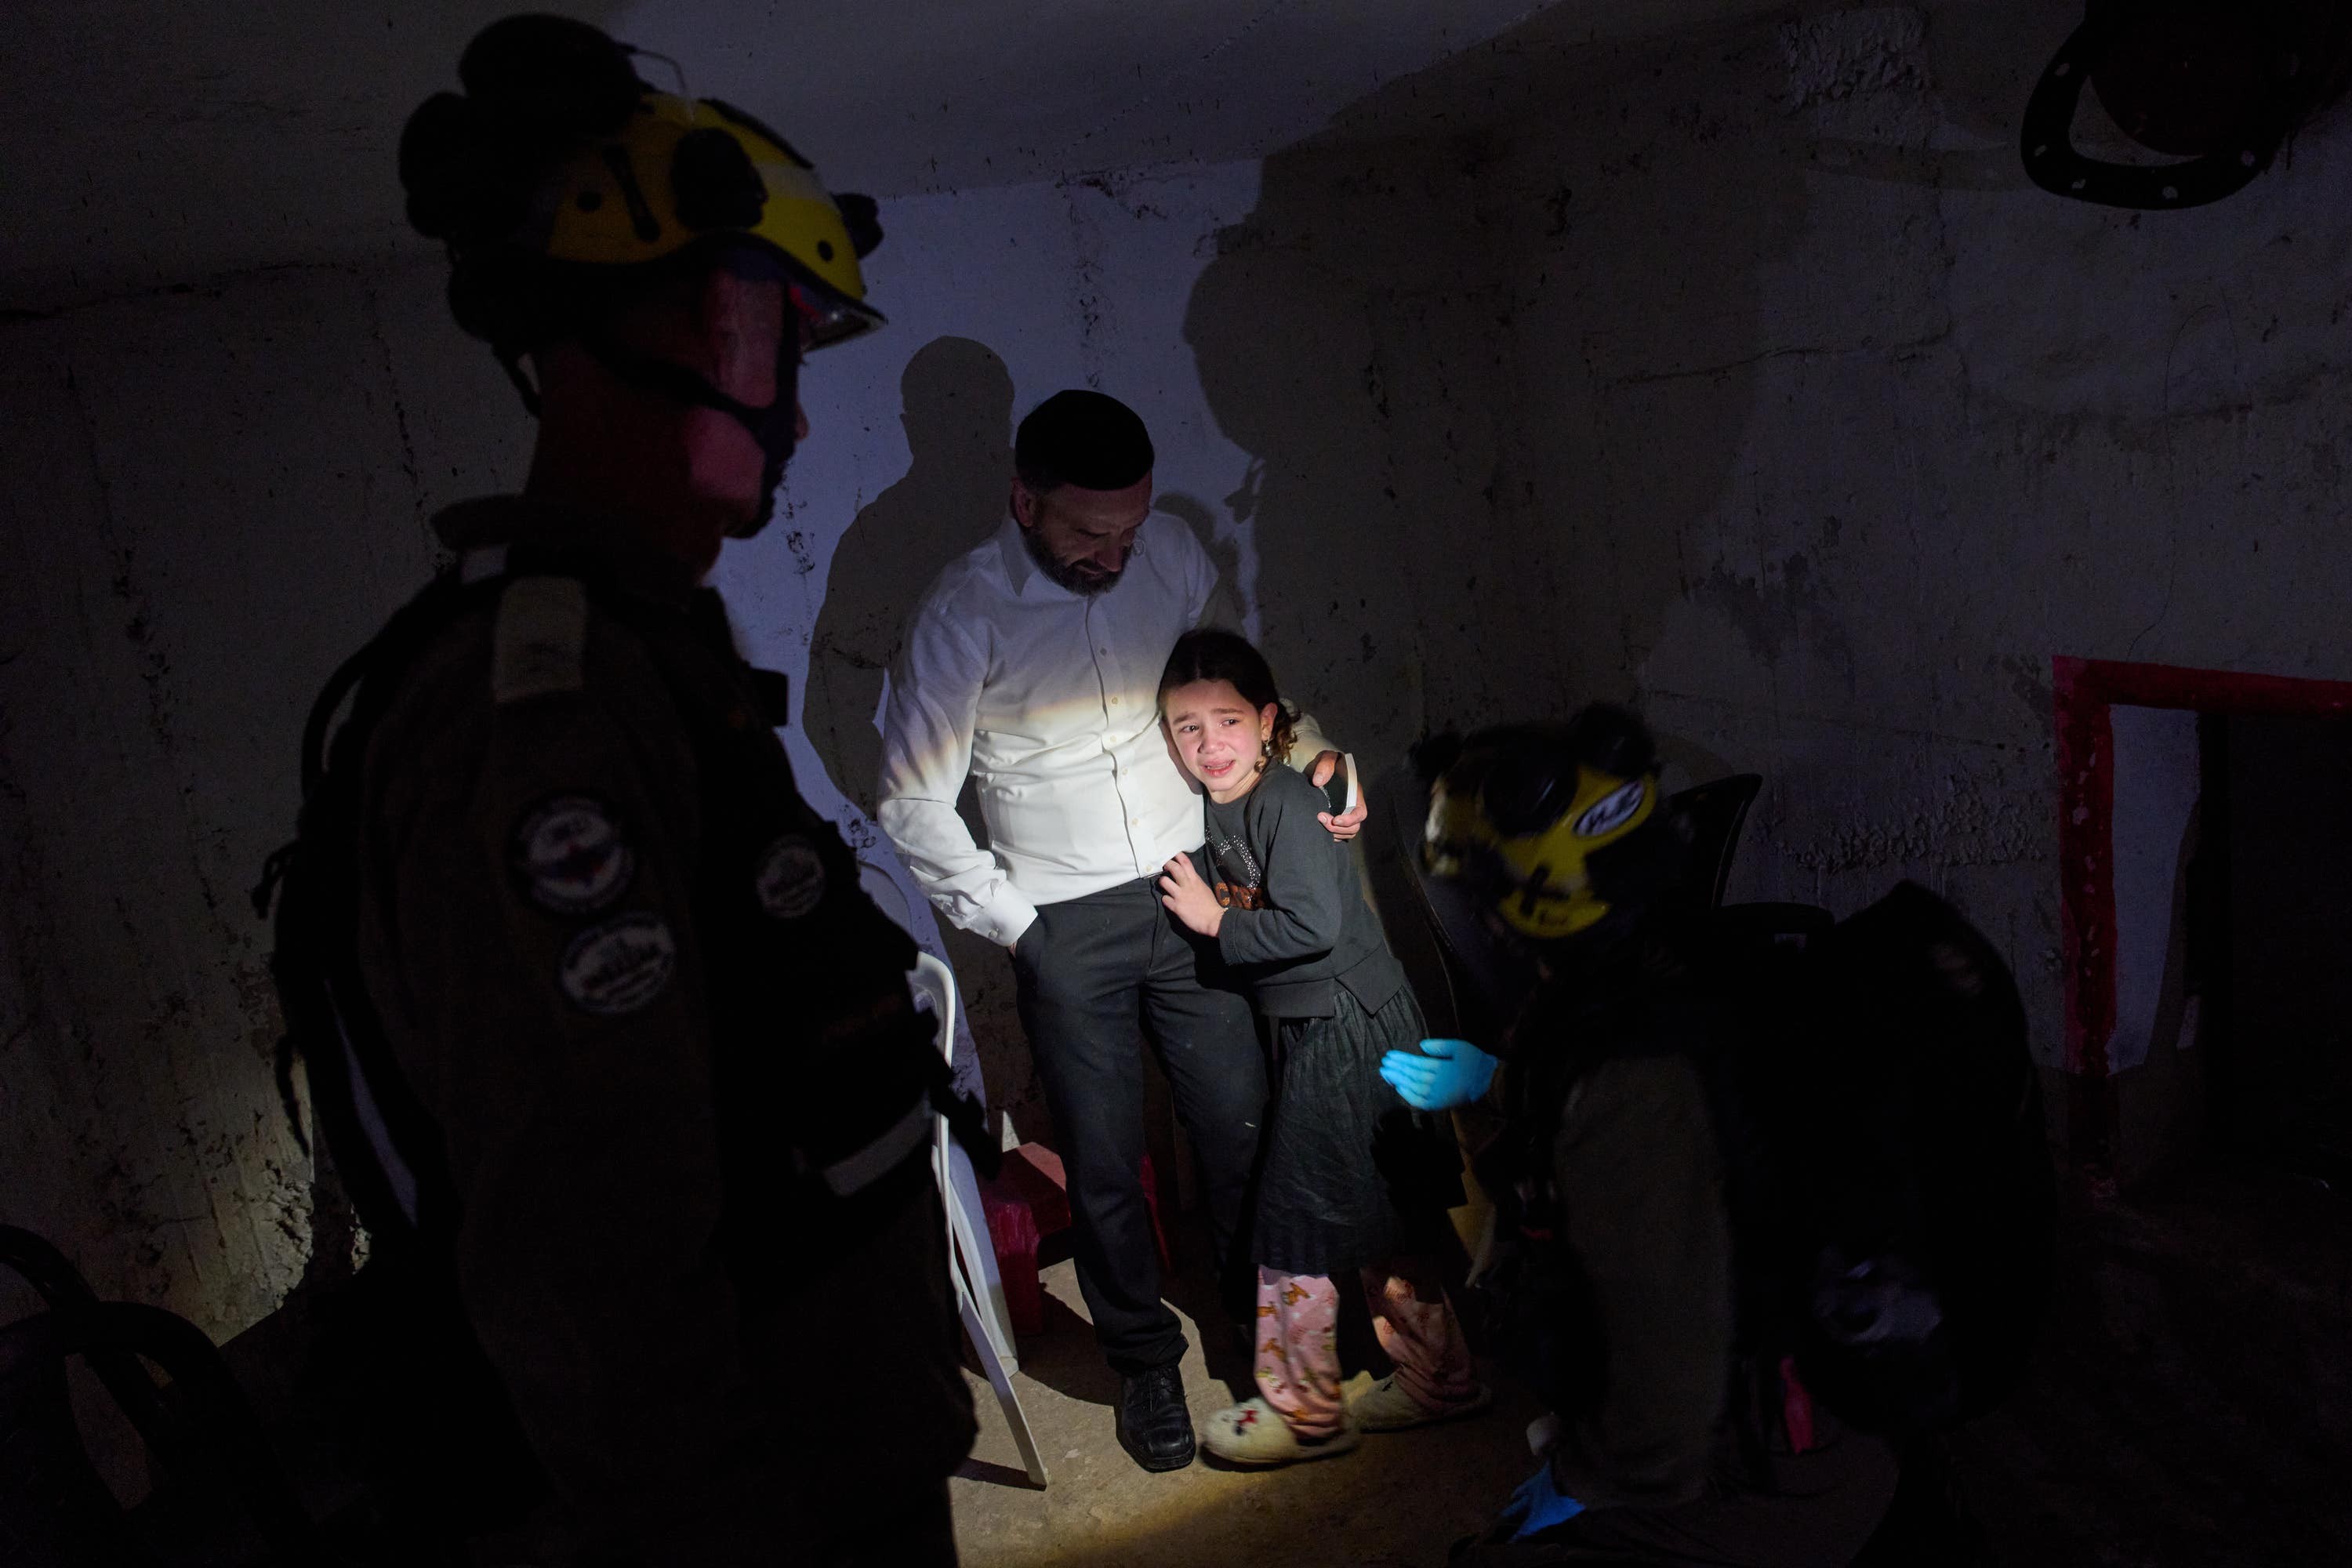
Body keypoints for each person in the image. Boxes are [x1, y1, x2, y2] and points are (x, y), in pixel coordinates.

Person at [267, 16, 975, 1565]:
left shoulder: (640, 650)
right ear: (667, 329)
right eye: (775, 338)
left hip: (837, 1445)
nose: (795, 407)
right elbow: (592, 1260)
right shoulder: (547, 711)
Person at [877, 390, 1365, 1472]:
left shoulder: (1173, 553)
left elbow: (1232, 687)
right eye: (1089, 535)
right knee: (1102, 1159)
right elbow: (911, 802)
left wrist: (1314, 753)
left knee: (1240, 1125)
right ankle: (1145, 1361)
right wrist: (1022, 929)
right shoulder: (962, 612)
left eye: (1129, 531)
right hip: (1062, 923)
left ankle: (1261, 1333)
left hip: (1195, 890)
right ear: (1025, 502)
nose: (1115, 555)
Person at [1388, 707, 1900, 1567]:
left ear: (1518, 903)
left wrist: (1581, 1478)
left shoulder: (1629, 1076)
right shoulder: (1677, 975)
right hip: (1815, 1414)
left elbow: (1666, 1396)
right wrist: (1499, 1081)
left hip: (1767, 1473)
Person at [1151, 629, 1487, 1467]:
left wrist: (1215, 921)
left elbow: (1314, 926)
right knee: (1384, 1215)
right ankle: (1442, 1380)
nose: (1209, 744)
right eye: (1188, 727)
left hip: (1347, 1021)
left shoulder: (1285, 804)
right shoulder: (1225, 802)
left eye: (1228, 721)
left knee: (1291, 1225)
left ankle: (1304, 1412)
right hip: (1336, 1019)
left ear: (1268, 722)